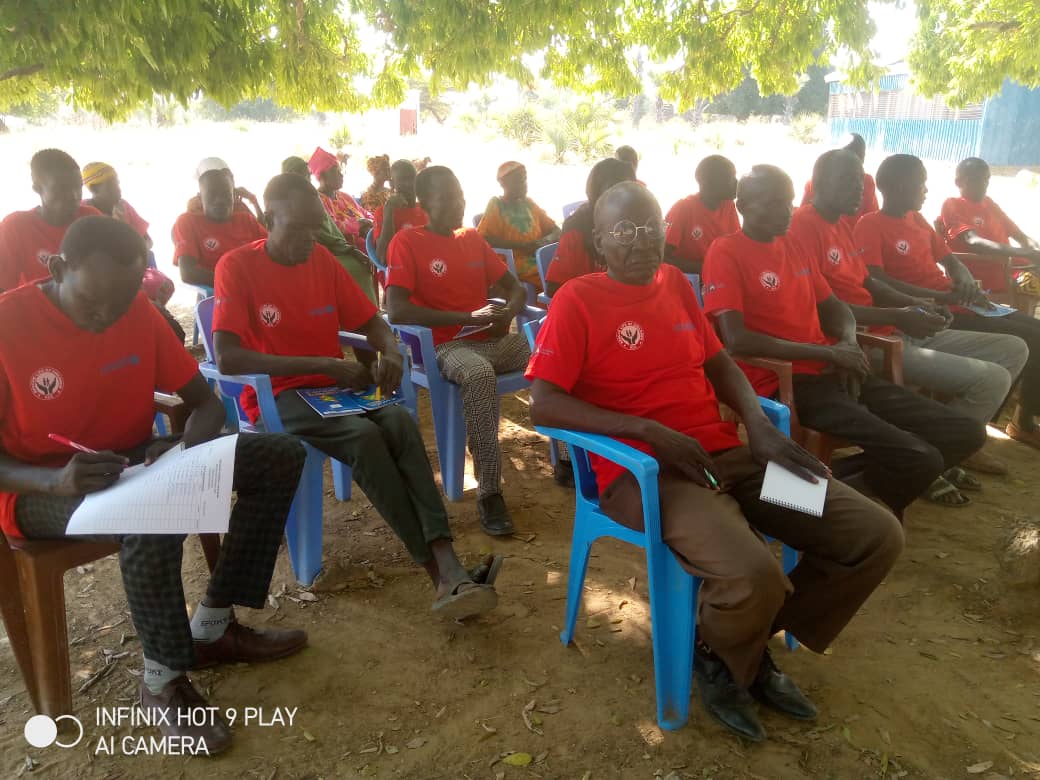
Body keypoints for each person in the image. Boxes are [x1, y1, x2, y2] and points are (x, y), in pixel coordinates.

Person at [527, 181, 904, 742]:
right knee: (755, 575)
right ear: (600, 243)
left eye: (651, 227)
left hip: (726, 459)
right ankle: (730, 656)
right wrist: (647, 430)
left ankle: (726, 642)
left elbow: (721, 362)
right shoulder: (577, 300)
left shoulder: (676, 283)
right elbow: (543, 403)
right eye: (625, 232)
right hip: (649, 477)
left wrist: (758, 427)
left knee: (873, 535)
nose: (641, 242)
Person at [0, 216, 308, 753]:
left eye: (120, 304)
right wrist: (53, 480)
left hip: (133, 465)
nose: (105, 320)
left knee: (278, 455)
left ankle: (212, 625)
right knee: (151, 514)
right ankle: (163, 678)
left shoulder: (134, 311)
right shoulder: (8, 325)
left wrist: (187, 449)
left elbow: (205, 402)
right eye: (93, 304)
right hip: (38, 488)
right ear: (56, 268)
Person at [211, 174, 499, 616]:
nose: (309, 240)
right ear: (269, 219)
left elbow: (373, 321)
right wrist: (323, 365)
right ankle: (438, 573)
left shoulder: (322, 260)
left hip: (334, 390)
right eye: (298, 229)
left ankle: (448, 562)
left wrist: (390, 350)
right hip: (277, 397)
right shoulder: (236, 266)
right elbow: (229, 358)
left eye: (315, 229)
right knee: (364, 439)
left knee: (401, 421)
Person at [702, 165, 986, 520]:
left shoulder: (791, 243)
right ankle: (810, 501)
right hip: (787, 382)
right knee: (919, 456)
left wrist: (848, 344)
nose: (785, 212)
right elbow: (736, 338)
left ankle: (810, 495)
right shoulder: (725, 251)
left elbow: (834, 308)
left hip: (834, 369)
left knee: (965, 432)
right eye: (773, 203)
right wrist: (827, 352)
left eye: (788, 202)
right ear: (742, 204)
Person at [791, 150, 1027, 485]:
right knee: (980, 388)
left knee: (1012, 351)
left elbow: (867, 283)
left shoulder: (841, 225)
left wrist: (915, 305)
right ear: (819, 184)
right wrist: (897, 316)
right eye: (850, 181)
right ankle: (930, 464)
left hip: (868, 339)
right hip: (856, 347)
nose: (861, 190)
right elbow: (820, 310)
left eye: (861, 181)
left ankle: (937, 458)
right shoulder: (800, 229)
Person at [856, 154, 1040, 449]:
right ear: (898, 186)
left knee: (1032, 332)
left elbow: (950, 259)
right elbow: (876, 280)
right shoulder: (870, 224)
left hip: (959, 302)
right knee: (1031, 338)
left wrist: (963, 277)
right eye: (921, 183)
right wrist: (943, 296)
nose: (926, 189)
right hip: (930, 312)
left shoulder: (917, 220)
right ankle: (980, 430)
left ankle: (983, 425)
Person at [386, 166, 530, 536]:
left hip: (491, 339)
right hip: (444, 345)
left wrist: (506, 314)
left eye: (460, 196)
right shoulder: (408, 242)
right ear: (424, 204)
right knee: (478, 374)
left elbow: (515, 289)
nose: (458, 204)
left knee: (551, 355)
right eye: (447, 198)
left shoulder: (471, 239)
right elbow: (396, 308)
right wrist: (464, 316)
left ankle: (566, 459)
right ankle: (489, 492)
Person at [0, 149, 102, 292]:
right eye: (62, 188)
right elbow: (3, 289)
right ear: (37, 188)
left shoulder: (91, 219)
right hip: (36, 310)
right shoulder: (15, 227)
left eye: (78, 187)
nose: (74, 196)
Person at [282, 156, 377, 303]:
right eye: (302, 175)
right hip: (310, 252)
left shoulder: (340, 197)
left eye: (307, 175)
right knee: (356, 267)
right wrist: (350, 245)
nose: (307, 179)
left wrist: (369, 223)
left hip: (337, 247)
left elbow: (331, 231)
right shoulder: (301, 201)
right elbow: (323, 233)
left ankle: (366, 315)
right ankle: (359, 316)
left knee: (366, 257)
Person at [940, 157, 1040, 294]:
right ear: (958, 182)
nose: (983, 184)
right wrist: (1026, 253)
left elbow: (1020, 236)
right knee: (1031, 283)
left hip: (1014, 267)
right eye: (975, 180)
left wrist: (1035, 249)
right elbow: (973, 241)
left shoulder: (989, 203)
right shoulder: (952, 204)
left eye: (986, 179)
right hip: (987, 274)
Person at [544, 158, 636, 297]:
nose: (624, 200)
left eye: (629, 192)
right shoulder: (576, 228)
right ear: (596, 193)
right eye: (615, 193)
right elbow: (554, 288)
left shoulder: (636, 225)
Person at [172, 157, 267, 288]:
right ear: (200, 198)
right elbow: (188, 273)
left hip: (255, 288)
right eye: (212, 195)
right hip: (217, 292)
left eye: (226, 195)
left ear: (233, 196)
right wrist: (236, 283)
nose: (219, 201)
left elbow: (271, 249)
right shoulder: (187, 222)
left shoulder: (246, 220)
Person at [476, 161, 561, 289]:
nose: (524, 185)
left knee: (563, 266)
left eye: (524, 179)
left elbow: (556, 230)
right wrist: (522, 246)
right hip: (513, 260)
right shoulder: (497, 204)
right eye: (517, 181)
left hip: (536, 254)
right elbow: (484, 239)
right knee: (553, 275)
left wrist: (542, 242)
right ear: (503, 184)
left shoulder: (529, 203)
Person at [664, 155, 740, 274]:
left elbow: (735, 246)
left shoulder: (728, 205)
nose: (737, 182)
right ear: (708, 183)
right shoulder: (683, 208)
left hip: (717, 276)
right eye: (730, 178)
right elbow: (663, 257)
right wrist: (707, 268)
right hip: (690, 279)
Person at [801, 133, 878, 227]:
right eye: (848, 178)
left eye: (859, 155)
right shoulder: (801, 225)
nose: (859, 188)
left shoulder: (867, 182)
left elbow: (872, 218)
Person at [308, 147, 372, 252]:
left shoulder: (344, 196)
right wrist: (358, 224)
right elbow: (332, 227)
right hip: (349, 249)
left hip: (367, 239)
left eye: (340, 171)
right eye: (335, 172)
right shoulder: (317, 201)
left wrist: (371, 221)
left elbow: (363, 212)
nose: (341, 175)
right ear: (322, 176)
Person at [81, 161, 153, 247]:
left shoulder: (124, 206)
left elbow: (148, 241)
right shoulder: (84, 212)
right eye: (111, 185)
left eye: (117, 183)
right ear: (94, 190)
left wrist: (127, 233)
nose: (118, 189)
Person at [374, 159, 428, 264]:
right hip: (400, 272)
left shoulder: (426, 209)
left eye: (412, 178)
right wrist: (389, 210)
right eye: (402, 180)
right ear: (392, 184)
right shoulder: (382, 212)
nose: (408, 184)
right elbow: (383, 257)